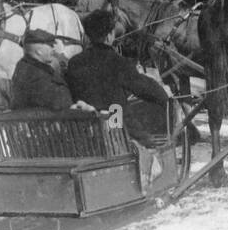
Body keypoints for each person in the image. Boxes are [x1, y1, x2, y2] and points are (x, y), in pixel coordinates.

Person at [66, 9, 172, 146]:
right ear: (110, 35)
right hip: (117, 133)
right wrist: (164, 93)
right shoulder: (119, 62)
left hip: (84, 133)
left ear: (88, 35)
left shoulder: (74, 62)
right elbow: (148, 90)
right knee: (149, 140)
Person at [9, 28, 77, 111]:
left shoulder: (27, 66)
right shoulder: (35, 75)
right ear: (39, 51)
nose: (54, 49)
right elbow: (60, 103)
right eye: (51, 46)